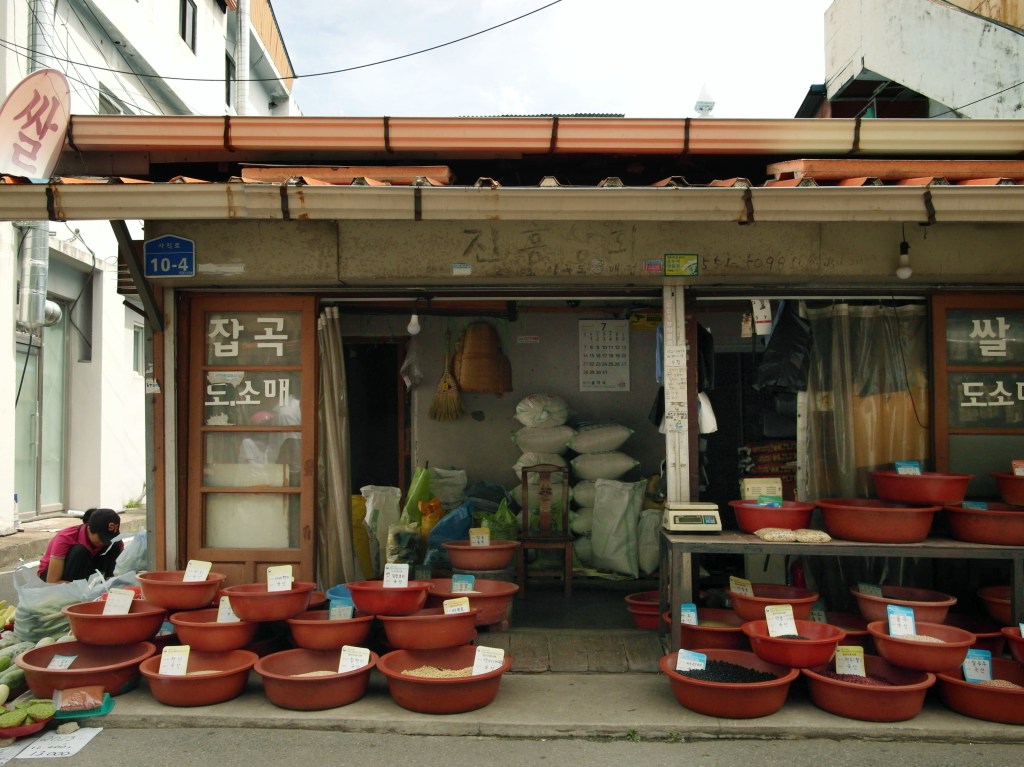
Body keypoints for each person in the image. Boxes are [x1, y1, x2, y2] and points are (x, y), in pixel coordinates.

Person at [37, 508, 123, 583]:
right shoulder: (65, 538)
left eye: (110, 538)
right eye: (102, 538)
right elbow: (52, 581)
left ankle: (104, 582)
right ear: (89, 529)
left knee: (114, 547)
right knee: (80, 551)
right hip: (53, 575)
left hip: (86, 571)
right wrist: (83, 588)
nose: (105, 542)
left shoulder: (114, 541)